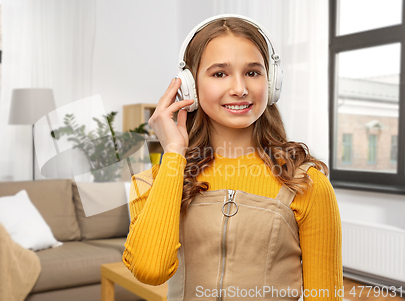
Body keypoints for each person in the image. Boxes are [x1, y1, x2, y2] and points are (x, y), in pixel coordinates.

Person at [122, 14, 343, 301]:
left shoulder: (305, 181)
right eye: (219, 73)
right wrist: (174, 154)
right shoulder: (154, 181)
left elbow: (325, 296)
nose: (239, 88)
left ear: (272, 81)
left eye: (252, 72)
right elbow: (150, 270)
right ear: (190, 86)